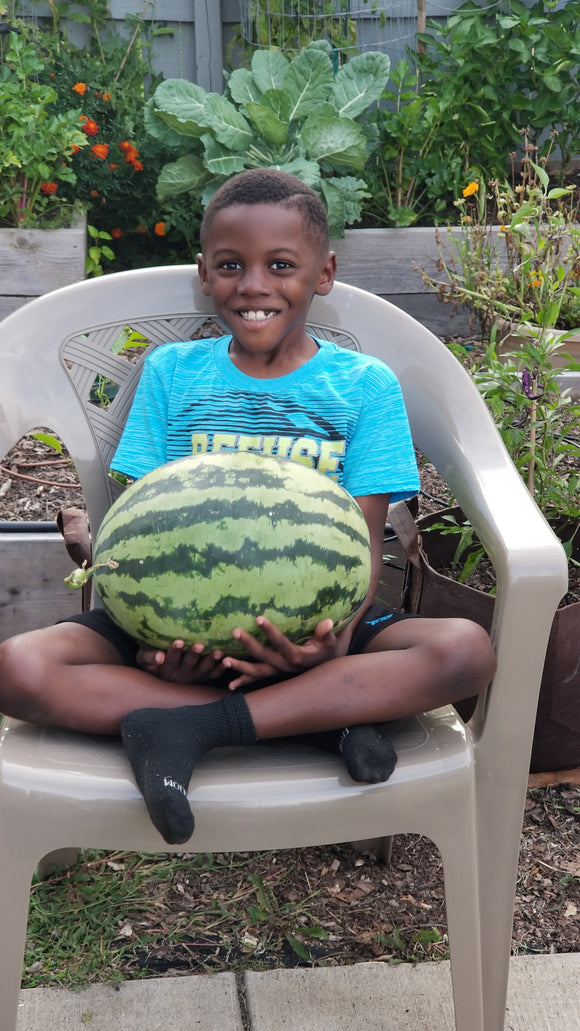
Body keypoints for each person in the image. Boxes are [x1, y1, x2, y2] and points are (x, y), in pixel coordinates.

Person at [0, 169, 497, 845]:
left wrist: (328, 648)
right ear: (205, 273)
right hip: (173, 633)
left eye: (282, 265)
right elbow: (143, 520)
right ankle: (317, 718)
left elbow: (358, 540)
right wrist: (155, 641)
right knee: (18, 669)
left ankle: (190, 726)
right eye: (231, 264)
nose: (255, 285)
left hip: (318, 632)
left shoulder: (364, 386)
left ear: (323, 274)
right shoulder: (172, 371)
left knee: (463, 650)